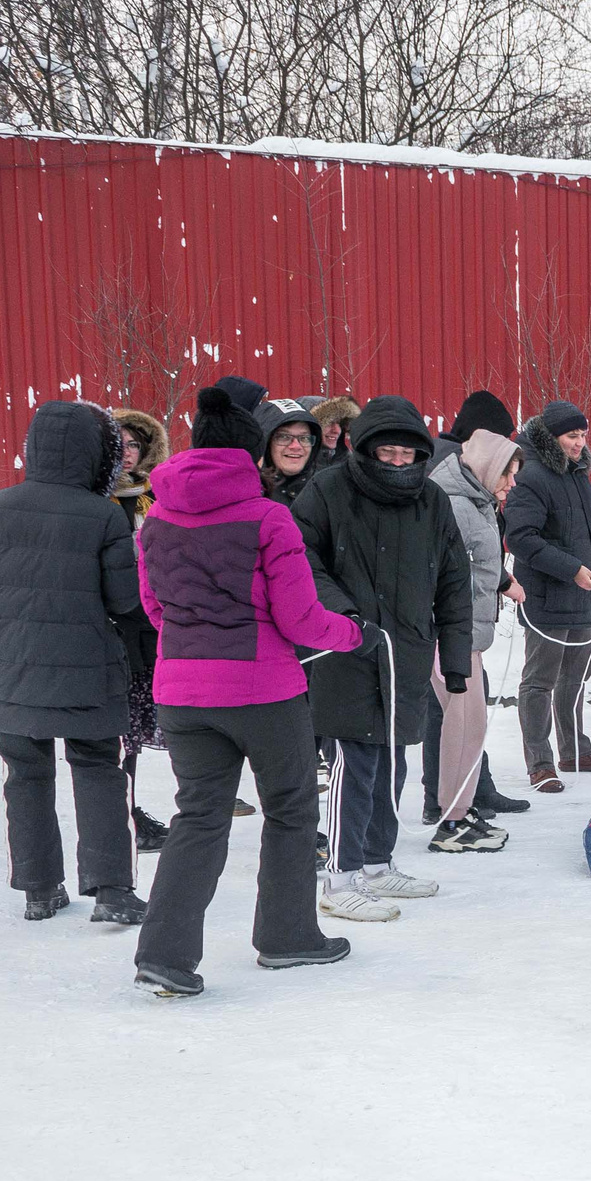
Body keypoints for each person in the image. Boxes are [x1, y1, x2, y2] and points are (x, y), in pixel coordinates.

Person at [132, 387, 376, 998]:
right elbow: (300, 621)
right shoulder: (269, 517)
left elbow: (155, 609)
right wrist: (355, 635)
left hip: (182, 692)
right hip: (263, 691)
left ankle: (164, 954)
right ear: (250, 450)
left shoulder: (156, 516)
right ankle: (288, 937)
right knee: (291, 809)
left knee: (198, 818)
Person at [294, 395, 473, 920]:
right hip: (346, 647)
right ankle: (340, 876)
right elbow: (302, 559)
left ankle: (376, 863)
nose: (398, 463)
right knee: (356, 762)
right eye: (387, 453)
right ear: (364, 449)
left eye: (407, 455)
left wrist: (455, 656)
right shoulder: (326, 490)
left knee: (393, 757)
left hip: (409, 649)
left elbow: (453, 580)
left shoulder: (433, 500)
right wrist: (343, 616)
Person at [0, 401, 152, 925]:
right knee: (98, 768)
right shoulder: (102, 513)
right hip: (86, 668)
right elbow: (124, 599)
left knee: (25, 775)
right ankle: (112, 892)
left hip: (8, 664)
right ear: (98, 455)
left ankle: (38, 889)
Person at [418, 389, 523, 825]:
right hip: (451, 636)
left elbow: (477, 561)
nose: (511, 485)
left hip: (467, 632)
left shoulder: (477, 497)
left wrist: (501, 581)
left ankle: (461, 803)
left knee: (468, 725)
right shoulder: (457, 502)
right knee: (457, 725)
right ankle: (449, 813)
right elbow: (449, 571)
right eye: (508, 474)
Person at [503, 400, 591, 792]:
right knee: (540, 682)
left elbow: (578, 522)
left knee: (576, 678)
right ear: (552, 437)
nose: (580, 442)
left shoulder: (576, 472)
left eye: (583, 434)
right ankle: (540, 763)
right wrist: (570, 569)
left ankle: (574, 752)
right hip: (547, 596)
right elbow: (520, 537)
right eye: (572, 435)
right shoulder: (531, 475)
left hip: (582, 595)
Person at [109, 407, 175, 851]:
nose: (128, 453)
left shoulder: (156, 495)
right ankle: (122, 814)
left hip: (154, 625)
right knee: (121, 731)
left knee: (153, 719)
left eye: (135, 444)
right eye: (119, 445)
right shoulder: (94, 498)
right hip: (115, 626)